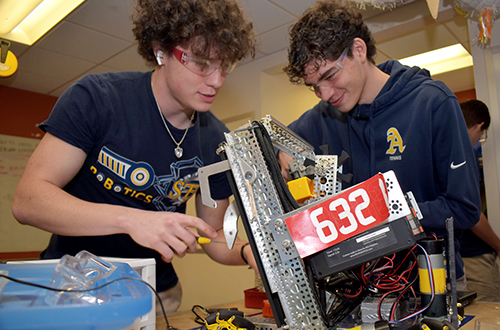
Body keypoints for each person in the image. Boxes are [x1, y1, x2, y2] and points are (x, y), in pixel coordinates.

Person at [11, 0, 257, 314]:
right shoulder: (98, 99)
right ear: (161, 51)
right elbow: (28, 201)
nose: (217, 80)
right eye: (201, 63)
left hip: (154, 293)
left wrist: (252, 251)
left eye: (225, 65)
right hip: (69, 285)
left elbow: (214, 234)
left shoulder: (216, 142)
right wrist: (131, 220)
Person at [279, 0, 481, 289]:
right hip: (360, 286)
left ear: (358, 51)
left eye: (330, 76)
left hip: (431, 279)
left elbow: (464, 208)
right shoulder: (325, 115)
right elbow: (281, 137)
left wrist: (386, 212)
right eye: (314, 86)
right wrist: (283, 149)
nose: (324, 94)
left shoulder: (431, 102)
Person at [458, 99, 500, 301]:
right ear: (479, 125)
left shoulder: (434, 148)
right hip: (473, 258)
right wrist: (499, 246)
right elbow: (472, 215)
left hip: (450, 258)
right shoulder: (465, 151)